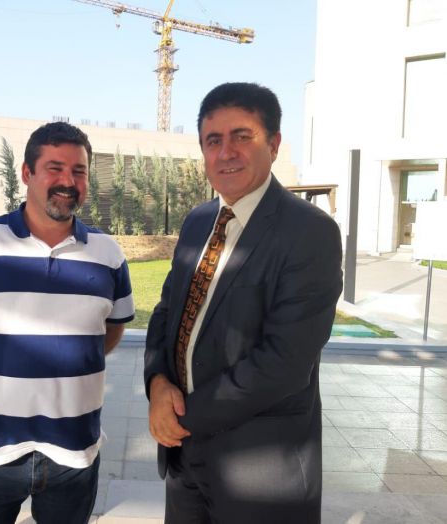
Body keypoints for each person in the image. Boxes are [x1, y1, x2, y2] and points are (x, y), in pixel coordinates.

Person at [144, 82, 343, 524]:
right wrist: (157, 384)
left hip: (260, 471)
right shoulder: (198, 222)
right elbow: (167, 313)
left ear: (273, 144)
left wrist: (182, 417)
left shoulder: (309, 232)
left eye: (242, 136)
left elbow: (284, 362)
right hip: (184, 462)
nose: (226, 152)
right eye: (213, 140)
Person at [0, 122, 135, 524]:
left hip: (73, 452)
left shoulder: (108, 254)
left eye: (78, 171)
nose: (67, 181)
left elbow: (110, 331)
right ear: (27, 173)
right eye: (55, 168)